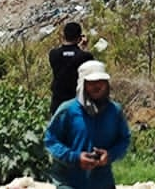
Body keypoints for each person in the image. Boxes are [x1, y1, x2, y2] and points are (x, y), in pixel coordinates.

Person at [45, 59, 132, 189]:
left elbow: (124, 139)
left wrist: (109, 155)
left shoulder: (114, 111)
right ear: (83, 85)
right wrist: (75, 158)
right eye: (92, 83)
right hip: (70, 182)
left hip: (102, 182)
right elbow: (50, 140)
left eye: (101, 82)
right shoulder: (68, 110)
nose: (97, 86)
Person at [49, 21, 95, 114]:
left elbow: (65, 54)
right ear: (79, 38)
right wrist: (83, 48)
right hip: (77, 104)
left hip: (58, 105)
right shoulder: (85, 56)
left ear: (64, 36)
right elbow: (87, 66)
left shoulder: (53, 54)